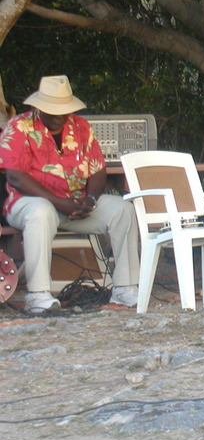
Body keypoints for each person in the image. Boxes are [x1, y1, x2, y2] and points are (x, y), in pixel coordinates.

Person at [0, 76, 140, 312]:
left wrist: (90, 200)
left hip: (74, 205)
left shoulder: (81, 127)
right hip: (28, 204)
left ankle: (125, 288)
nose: (58, 116)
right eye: (52, 111)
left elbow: (97, 169)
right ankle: (38, 294)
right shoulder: (18, 127)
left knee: (122, 208)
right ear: (38, 107)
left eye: (63, 111)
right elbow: (15, 176)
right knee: (41, 211)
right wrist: (58, 203)